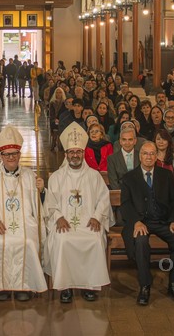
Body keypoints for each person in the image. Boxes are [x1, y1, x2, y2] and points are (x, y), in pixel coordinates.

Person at [44, 124, 114, 303]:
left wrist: (97, 217)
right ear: (66, 154)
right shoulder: (56, 177)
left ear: (83, 153)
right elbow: (50, 202)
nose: (75, 155)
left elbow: (104, 198)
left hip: (89, 222)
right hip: (64, 222)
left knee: (95, 239)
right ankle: (65, 286)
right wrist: (58, 217)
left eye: (78, 152)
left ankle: (90, 285)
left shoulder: (94, 176)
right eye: (71, 152)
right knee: (62, 240)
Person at [0, 126, 48, 301]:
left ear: (19, 155)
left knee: (28, 242)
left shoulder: (30, 175)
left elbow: (37, 205)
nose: (11, 157)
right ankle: (0, 288)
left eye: (14, 154)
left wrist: (41, 191)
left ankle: (24, 287)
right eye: (7, 154)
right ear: (1, 156)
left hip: (25, 223)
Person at [120, 141, 174, 306]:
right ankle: (145, 286)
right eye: (145, 153)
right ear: (140, 156)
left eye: (152, 153)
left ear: (157, 156)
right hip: (141, 221)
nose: (149, 157)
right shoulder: (129, 178)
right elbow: (126, 204)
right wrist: (136, 222)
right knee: (140, 241)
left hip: (163, 221)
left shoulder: (166, 175)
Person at [108, 125, 139, 189]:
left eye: (130, 139)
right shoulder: (112, 159)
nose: (127, 143)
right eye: (124, 140)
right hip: (121, 193)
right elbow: (113, 182)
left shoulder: (141, 156)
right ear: (120, 141)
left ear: (135, 141)